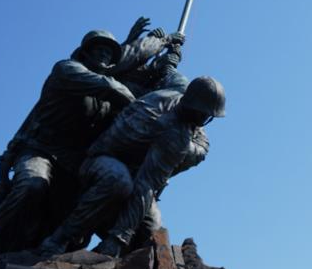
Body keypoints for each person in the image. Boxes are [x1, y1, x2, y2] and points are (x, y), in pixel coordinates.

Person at [0, 30, 136, 261]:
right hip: (41, 149)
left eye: (109, 52)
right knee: (31, 184)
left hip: (71, 161)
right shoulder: (67, 70)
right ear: (85, 53)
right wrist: (137, 103)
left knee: (69, 211)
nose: (103, 54)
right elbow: (107, 85)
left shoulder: (104, 100)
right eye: (98, 49)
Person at [38, 76, 224, 257]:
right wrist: (119, 238)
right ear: (194, 108)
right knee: (117, 181)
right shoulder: (174, 135)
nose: (205, 118)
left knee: (152, 229)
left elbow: (170, 73)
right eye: (204, 113)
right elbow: (146, 185)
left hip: (137, 172)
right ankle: (59, 240)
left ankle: (117, 268)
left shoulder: (178, 91)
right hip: (100, 160)